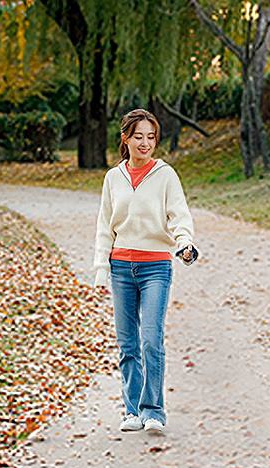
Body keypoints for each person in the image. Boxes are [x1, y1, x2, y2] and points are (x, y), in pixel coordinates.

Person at [93, 108, 198, 434]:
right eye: (138, 136)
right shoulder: (113, 178)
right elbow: (103, 226)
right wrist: (100, 267)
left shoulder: (165, 175)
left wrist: (184, 242)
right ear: (125, 138)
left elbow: (179, 215)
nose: (145, 143)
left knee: (151, 339)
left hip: (156, 266)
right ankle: (131, 411)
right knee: (128, 344)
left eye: (151, 137)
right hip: (121, 267)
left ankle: (153, 410)